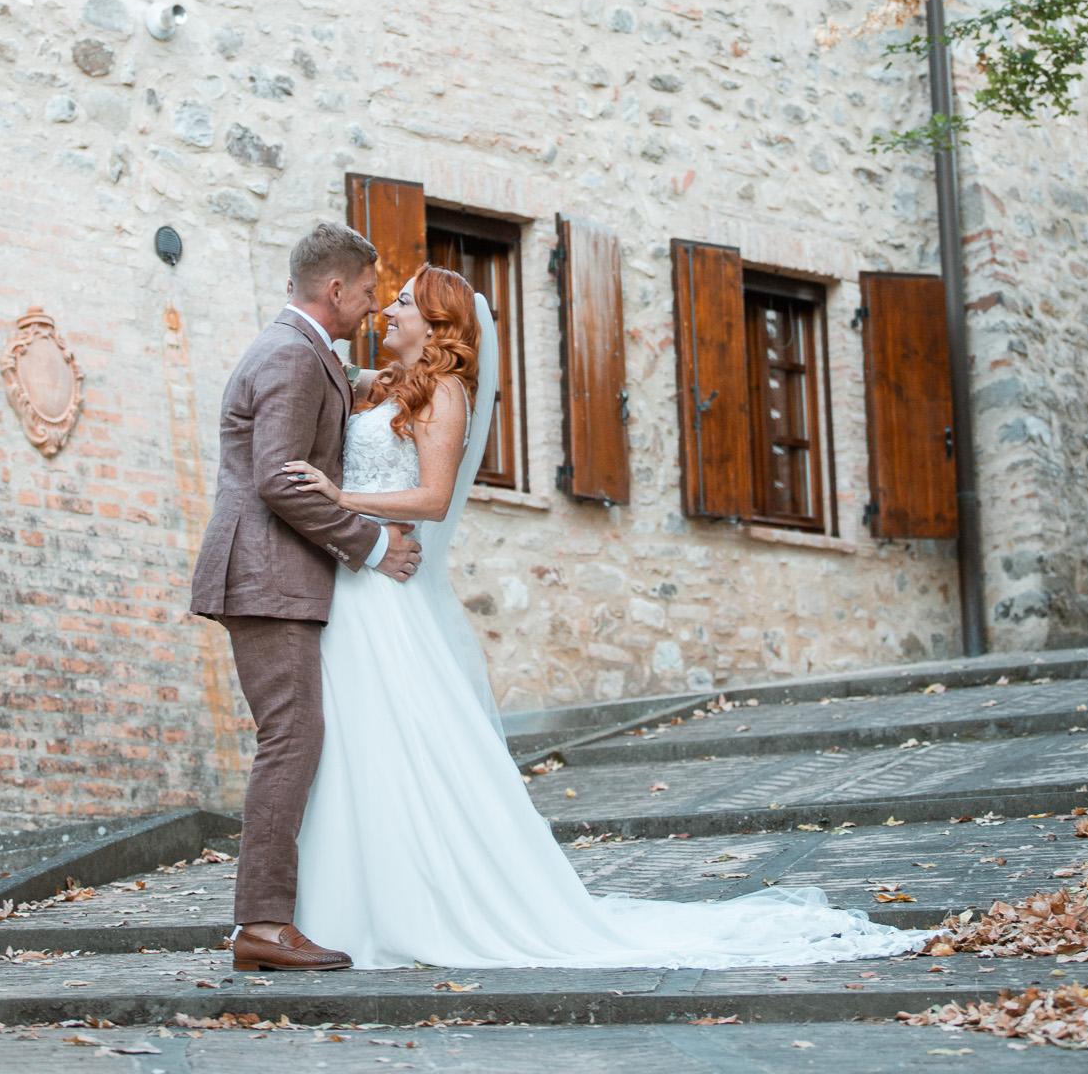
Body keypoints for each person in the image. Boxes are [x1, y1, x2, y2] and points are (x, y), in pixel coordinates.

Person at [286, 263, 924, 971]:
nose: (388, 310)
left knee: (394, 738)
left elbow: (433, 500)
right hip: (357, 583)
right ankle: (351, 902)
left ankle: (418, 904)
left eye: (403, 303)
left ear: (436, 324)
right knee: (355, 742)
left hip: (386, 591)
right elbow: (318, 367)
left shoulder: (446, 393)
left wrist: (339, 497)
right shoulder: (388, 386)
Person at [190, 221, 423, 973]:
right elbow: (280, 479)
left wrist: (382, 382)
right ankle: (261, 924)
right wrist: (374, 544)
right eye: (367, 292)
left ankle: (273, 917)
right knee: (291, 738)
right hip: (267, 578)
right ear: (335, 288)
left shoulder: (302, 351)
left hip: (275, 576)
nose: (373, 306)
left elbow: (328, 397)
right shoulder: (290, 354)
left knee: (297, 736)